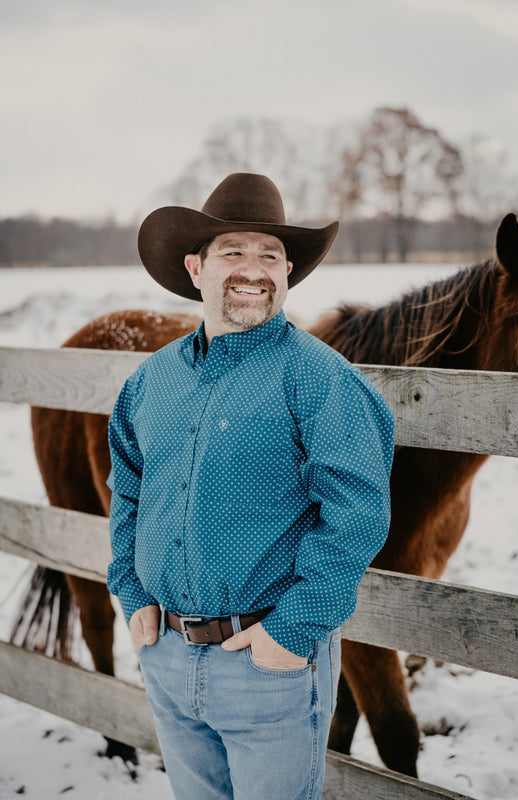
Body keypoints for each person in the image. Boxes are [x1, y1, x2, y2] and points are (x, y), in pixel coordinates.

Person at [107, 172, 394, 800]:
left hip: (268, 663)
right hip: (166, 653)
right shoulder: (151, 382)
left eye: (270, 255)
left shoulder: (320, 381)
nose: (253, 269)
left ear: (288, 272)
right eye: (232, 251)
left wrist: (292, 632)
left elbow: (358, 517)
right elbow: (128, 494)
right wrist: (131, 594)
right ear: (195, 268)